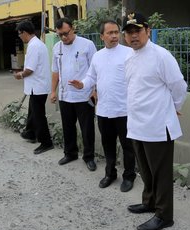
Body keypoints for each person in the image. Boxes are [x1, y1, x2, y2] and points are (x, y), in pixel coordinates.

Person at [122, 12, 187, 230]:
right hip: (138, 125)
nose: (133, 36)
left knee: (160, 173)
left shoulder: (161, 55)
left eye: (137, 31)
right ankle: (149, 202)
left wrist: (174, 108)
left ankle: (164, 215)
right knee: (146, 170)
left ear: (148, 31)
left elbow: (179, 86)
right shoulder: (129, 58)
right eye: (129, 33)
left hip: (158, 126)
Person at [68, 20, 136, 192]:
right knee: (108, 144)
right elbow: (91, 77)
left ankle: (129, 176)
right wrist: (82, 84)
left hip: (124, 109)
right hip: (104, 110)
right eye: (110, 33)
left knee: (128, 146)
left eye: (116, 32)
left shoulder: (129, 53)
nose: (114, 36)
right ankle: (110, 173)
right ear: (101, 36)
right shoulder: (98, 56)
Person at [50, 17, 98, 171]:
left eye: (66, 33)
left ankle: (89, 157)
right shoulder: (57, 48)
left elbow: (96, 70)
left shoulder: (87, 45)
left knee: (87, 128)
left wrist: (95, 90)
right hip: (65, 96)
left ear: (73, 28)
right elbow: (55, 71)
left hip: (84, 95)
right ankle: (70, 153)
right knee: (68, 127)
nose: (64, 37)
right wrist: (53, 91)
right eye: (60, 35)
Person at [14, 21, 53, 155]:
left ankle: (46, 142)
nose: (20, 37)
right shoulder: (37, 44)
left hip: (37, 86)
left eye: (20, 34)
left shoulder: (33, 46)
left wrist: (20, 74)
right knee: (33, 110)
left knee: (38, 115)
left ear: (24, 32)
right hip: (37, 85)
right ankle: (30, 133)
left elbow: (29, 69)